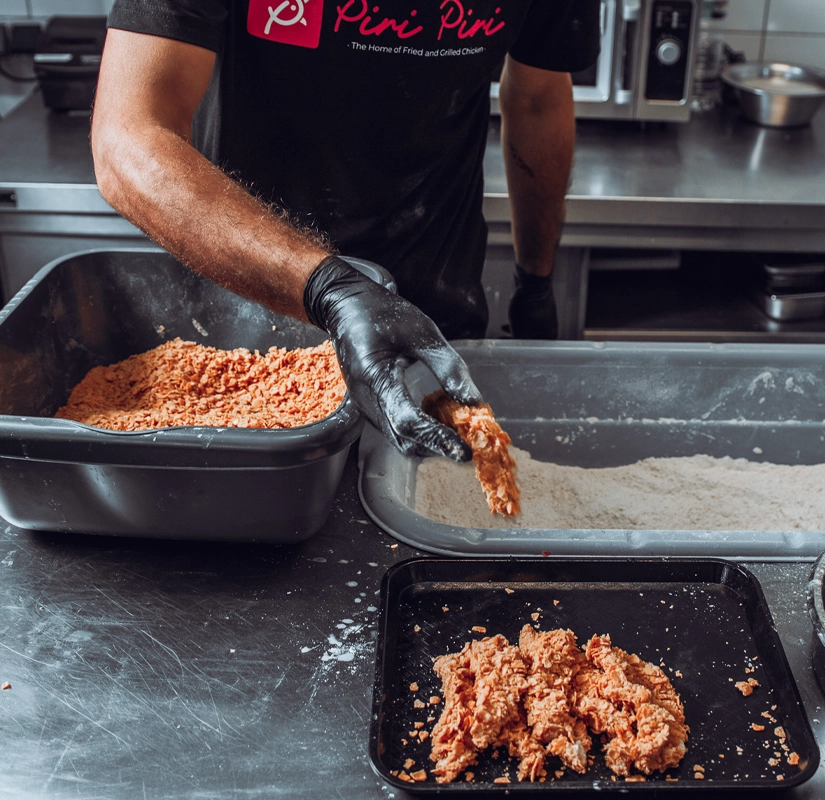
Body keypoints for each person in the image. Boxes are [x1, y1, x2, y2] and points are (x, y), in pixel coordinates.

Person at [91, 0, 600, 462]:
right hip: (247, 335)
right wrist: (329, 289)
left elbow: (537, 98)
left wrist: (536, 281)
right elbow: (128, 136)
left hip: (428, 326)